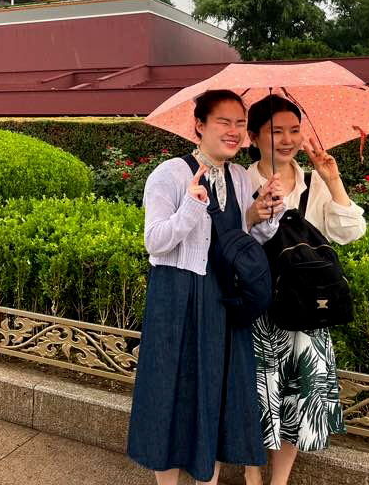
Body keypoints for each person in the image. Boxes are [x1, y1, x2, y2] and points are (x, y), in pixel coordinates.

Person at [128, 89, 284, 485]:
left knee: (216, 395)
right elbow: (155, 241)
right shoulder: (169, 174)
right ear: (199, 125)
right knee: (172, 394)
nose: (234, 132)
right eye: (224, 122)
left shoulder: (238, 175)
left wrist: (265, 212)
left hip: (223, 301)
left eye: (240, 124)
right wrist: (191, 206)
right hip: (178, 298)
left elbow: (242, 237)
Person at [243, 95, 366, 485]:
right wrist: (255, 212)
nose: (287, 139)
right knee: (255, 398)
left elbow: (349, 233)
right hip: (258, 311)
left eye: (294, 130)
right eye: (276, 131)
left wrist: (332, 179)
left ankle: (279, 479)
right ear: (253, 136)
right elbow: (224, 242)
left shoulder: (314, 182)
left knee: (296, 401)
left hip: (309, 311)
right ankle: (251, 472)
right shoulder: (239, 180)